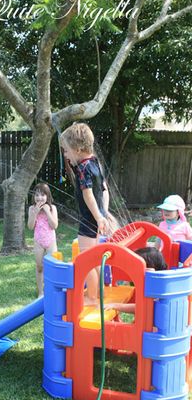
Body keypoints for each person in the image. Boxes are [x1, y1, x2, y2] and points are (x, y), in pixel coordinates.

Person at [60, 122, 110, 305]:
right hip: (96, 220)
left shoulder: (82, 168)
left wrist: (97, 216)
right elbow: (105, 190)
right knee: (94, 260)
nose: (65, 154)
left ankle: (92, 297)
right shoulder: (95, 162)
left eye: (66, 150)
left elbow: (88, 193)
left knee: (86, 261)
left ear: (78, 149)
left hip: (88, 222)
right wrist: (103, 213)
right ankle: (98, 294)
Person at [104, 247, 167, 314]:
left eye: (137, 265)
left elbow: (142, 308)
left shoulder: (154, 286)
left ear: (149, 269)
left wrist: (116, 306)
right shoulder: (156, 281)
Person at [28, 183, 58, 297]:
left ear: (48, 196)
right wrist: (35, 213)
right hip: (38, 241)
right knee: (39, 267)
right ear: (34, 197)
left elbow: (54, 225)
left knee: (52, 266)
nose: (39, 198)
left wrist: (47, 212)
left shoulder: (52, 208)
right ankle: (41, 292)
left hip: (51, 241)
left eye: (43, 195)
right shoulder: (31, 209)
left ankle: (53, 291)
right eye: (37, 195)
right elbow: (30, 226)